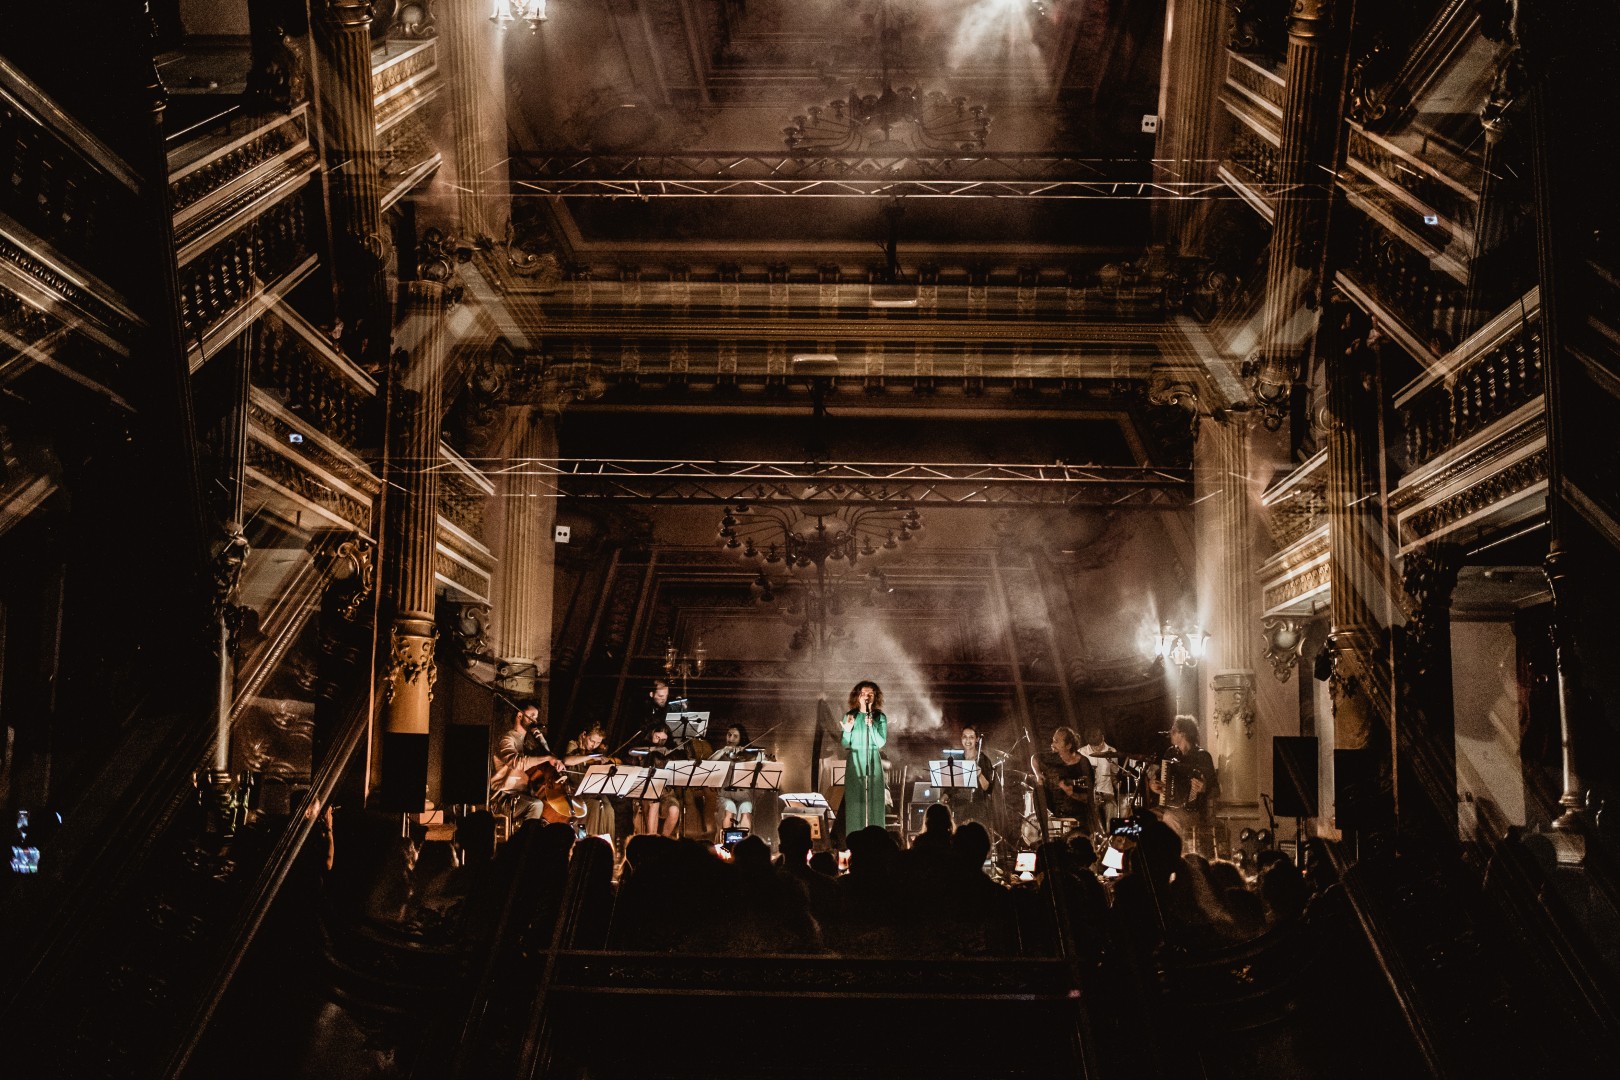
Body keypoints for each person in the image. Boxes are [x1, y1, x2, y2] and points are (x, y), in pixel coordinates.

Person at [1148, 714, 1217, 856]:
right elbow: (1159, 781)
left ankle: (1177, 857)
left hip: (1193, 810)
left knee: (1169, 818)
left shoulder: (1203, 757)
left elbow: (1214, 787)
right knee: (1143, 817)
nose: (1170, 734)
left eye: (1173, 731)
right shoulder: (1170, 753)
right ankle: (1153, 859)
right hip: (1168, 808)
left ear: (1183, 733)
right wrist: (1153, 785)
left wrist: (1203, 787)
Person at [490, 702, 562, 822]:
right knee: (536, 805)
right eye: (532, 715)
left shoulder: (528, 742)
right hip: (504, 797)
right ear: (519, 715)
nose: (535, 720)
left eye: (536, 717)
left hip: (523, 795)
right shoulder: (507, 739)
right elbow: (516, 762)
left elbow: (546, 755)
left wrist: (541, 741)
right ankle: (526, 838)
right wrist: (547, 758)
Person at [840, 680, 889, 834]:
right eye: (863, 694)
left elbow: (880, 742)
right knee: (855, 801)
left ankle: (875, 839)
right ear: (858, 696)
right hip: (855, 760)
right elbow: (844, 743)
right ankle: (855, 838)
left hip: (873, 760)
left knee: (874, 800)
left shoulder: (880, 717)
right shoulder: (850, 716)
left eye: (870, 694)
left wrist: (872, 725)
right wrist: (847, 730)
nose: (866, 697)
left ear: (875, 697)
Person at [1032, 726, 1093, 837]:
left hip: (1077, 809)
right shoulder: (1053, 757)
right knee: (1038, 790)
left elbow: (1088, 797)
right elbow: (1034, 758)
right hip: (1056, 806)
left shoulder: (1083, 763)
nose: (1052, 744)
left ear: (1069, 745)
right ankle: (1045, 835)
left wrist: (1072, 794)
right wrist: (1038, 775)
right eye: (1053, 740)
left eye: (1056, 741)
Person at [631, 725, 687, 837]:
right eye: (657, 738)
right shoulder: (643, 748)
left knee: (674, 810)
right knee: (654, 804)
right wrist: (653, 749)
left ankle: (664, 839)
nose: (660, 742)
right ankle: (652, 838)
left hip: (666, 791)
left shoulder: (670, 751)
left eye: (663, 740)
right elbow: (632, 752)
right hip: (648, 789)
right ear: (652, 734)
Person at [708, 723, 761, 835]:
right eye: (729, 735)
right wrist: (723, 751)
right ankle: (726, 842)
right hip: (725, 795)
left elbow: (760, 763)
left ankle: (744, 842)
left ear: (741, 738)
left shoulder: (747, 755)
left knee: (747, 807)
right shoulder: (722, 754)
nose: (731, 738)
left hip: (743, 796)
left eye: (735, 736)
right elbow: (708, 764)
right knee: (730, 806)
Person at [949, 724, 998, 827]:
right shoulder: (956, 760)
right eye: (965, 737)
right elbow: (951, 787)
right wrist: (944, 796)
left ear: (977, 739)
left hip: (978, 809)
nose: (968, 740)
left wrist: (980, 775)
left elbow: (988, 788)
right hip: (959, 809)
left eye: (971, 737)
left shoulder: (984, 760)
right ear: (961, 738)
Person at [1079, 726, 1121, 833]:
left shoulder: (1112, 751)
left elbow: (1114, 773)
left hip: (1107, 791)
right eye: (1094, 746)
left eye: (1099, 744)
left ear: (1103, 737)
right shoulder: (1081, 753)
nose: (1098, 748)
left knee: (1112, 819)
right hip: (1090, 794)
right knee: (1094, 824)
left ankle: (1111, 838)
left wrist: (1118, 786)